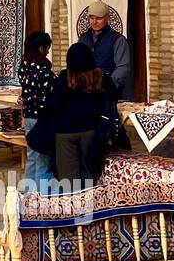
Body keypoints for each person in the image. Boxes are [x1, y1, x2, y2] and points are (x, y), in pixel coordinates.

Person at [27, 42, 119, 187]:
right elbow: (110, 101)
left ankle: (74, 208)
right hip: (91, 132)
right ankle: (89, 207)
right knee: (89, 176)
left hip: (65, 134)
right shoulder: (101, 79)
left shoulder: (65, 79)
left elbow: (53, 105)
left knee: (69, 182)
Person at [17, 31, 56, 194]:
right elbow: (52, 93)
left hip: (29, 117)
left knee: (32, 156)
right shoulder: (43, 71)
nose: (47, 53)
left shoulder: (24, 67)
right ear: (41, 48)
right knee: (43, 160)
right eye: (47, 49)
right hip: (42, 118)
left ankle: (28, 195)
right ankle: (43, 199)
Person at [78, 0, 132, 101]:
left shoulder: (118, 40)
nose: (94, 22)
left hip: (109, 93)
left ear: (107, 18)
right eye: (91, 18)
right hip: (85, 92)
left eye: (99, 18)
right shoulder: (83, 38)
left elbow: (122, 67)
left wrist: (108, 85)